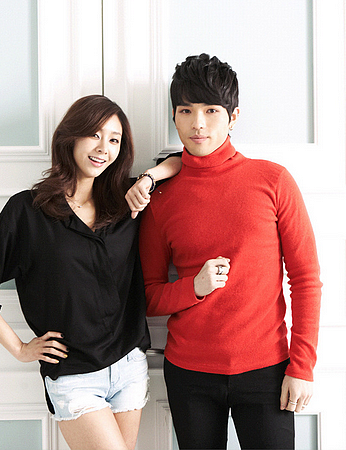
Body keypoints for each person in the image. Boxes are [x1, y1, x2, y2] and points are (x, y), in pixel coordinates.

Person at [0, 94, 182, 450]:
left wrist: (148, 179)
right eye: (94, 134)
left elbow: (184, 161)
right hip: (74, 375)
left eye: (114, 140)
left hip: (129, 364)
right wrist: (20, 349)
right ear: (70, 136)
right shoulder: (27, 211)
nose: (103, 148)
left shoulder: (127, 200)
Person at [138, 54, 322, 450]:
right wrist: (194, 288)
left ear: (233, 116)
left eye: (211, 110)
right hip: (189, 375)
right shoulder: (161, 198)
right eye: (186, 110)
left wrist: (302, 366)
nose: (198, 123)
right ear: (174, 117)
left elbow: (306, 279)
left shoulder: (273, 180)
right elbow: (149, 296)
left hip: (268, 371)